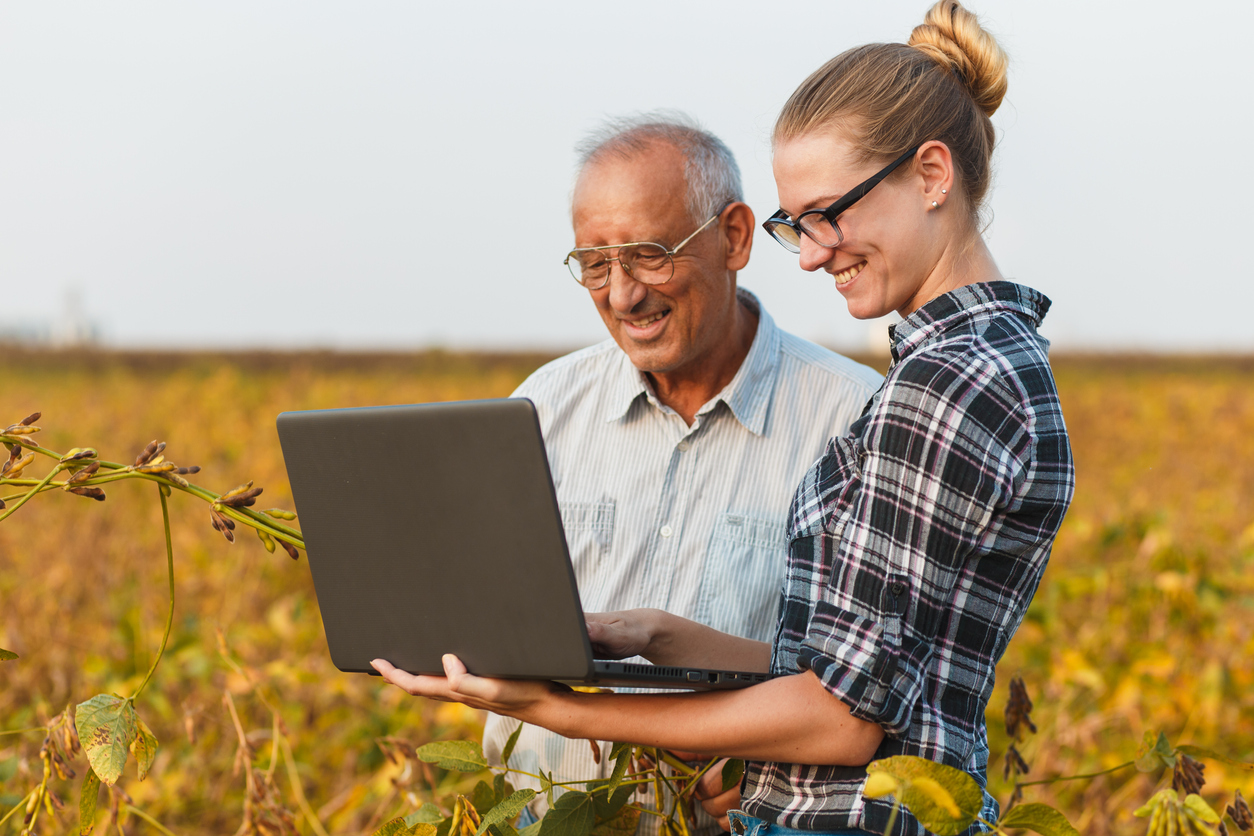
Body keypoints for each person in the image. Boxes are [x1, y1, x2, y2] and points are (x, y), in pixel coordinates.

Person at [374, 4, 1075, 835]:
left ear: (930, 176)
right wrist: (658, 635)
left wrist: (560, 709)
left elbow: (845, 718)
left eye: (829, 213)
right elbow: (862, 674)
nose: (810, 254)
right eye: (797, 225)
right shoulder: (977, 362)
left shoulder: (945, 382)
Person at [481, 114, 882, 832]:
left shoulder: (852, 418)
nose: (622, 295)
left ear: (735, 237)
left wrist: (774, 761)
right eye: (595, 264)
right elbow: (491, 622)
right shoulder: (542, 407)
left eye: (649, 256)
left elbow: (866, 689)